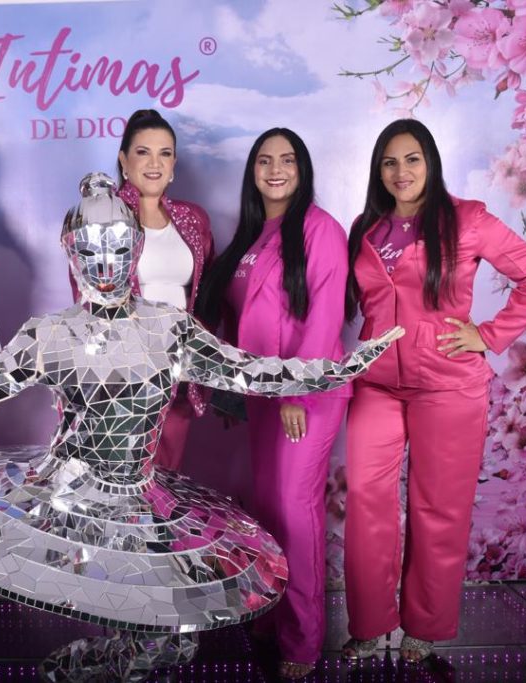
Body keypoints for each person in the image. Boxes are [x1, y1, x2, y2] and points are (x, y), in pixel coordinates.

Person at [0, 172, 404, 681]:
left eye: (118, 248)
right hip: (67, 495)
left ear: (135, 248)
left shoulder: (167, 328)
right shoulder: (51, 334)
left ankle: (84, 665)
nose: (105, 265)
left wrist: (339, 368)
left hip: (140, 499)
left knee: (173, 637)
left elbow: (249, 371)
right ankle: (81, 664)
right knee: (138, 623)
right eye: (90, 251)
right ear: (71, 252)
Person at [341, 119, 526, 663]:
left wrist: (488, 335)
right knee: (366, 498)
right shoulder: (367, 227)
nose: (401, 172)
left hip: (447, 385)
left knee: (437, 506)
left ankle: (424, 626)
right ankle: (370, 624)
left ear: (431, 162)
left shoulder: (467, 219)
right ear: (378, 171)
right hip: (377, 383)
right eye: (390, 162)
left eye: (412, 159)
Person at [195, 128, 349, 680]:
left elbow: (325, 317)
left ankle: (302, 643)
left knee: (296, 512)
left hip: (305, 394)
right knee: (268, 510)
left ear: (302, 169)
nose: (275, 169)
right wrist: (227, 389)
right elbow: (242, 321)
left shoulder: (320, 229)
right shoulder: (253, 234)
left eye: (287, 160)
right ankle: (270, 615)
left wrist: (296, 391)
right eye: (265, 160)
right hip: (263, 394)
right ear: (253, 172)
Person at [105, 109, 214, 471]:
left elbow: (205, 295)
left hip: (178, 376)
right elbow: (89, 302)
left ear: (173, 164)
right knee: (124, 480)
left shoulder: (192, 219)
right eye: (143, 152)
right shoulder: (104, 219)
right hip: (123, 379)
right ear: (124, 160)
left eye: (164, 153)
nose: (155, 163)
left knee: (166, 479)